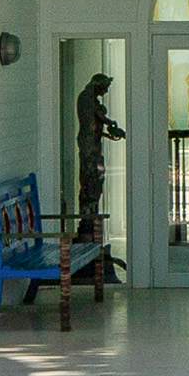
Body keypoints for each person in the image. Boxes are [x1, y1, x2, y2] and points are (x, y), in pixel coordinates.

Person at [72, 69, 127, 260]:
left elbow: (97, 123)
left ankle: (91, 222)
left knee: (95, 184)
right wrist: (112, 125)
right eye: (105, 87)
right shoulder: (87, 98)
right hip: (89, 150)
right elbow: (98, 119)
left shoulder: (89, 97)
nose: (106, 92)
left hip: (93, 147)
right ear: (98, 85)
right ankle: (87, 225)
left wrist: (110, 130)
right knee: (90, 184)